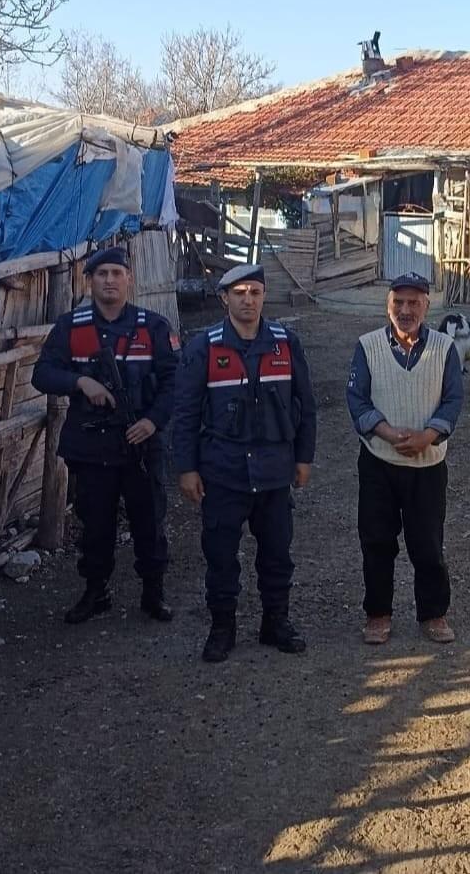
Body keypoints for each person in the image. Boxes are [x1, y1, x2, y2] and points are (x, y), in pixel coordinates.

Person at [171, 264, 316, 663]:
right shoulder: (205, 346)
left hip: (274, 472)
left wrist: (304, 458)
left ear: (264, 296)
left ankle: (276, 623)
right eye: (239, 293)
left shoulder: (286, 344)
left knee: (277, 554)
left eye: (254, 291)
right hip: (223, 472)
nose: (247, 299)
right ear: (224, 298)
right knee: (220, 555)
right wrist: (186, 468)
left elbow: (306, 405)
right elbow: (184, 412)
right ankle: (222, 628)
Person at [31, 246, 178, 625]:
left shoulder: (153, 326)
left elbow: (176, 382)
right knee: (95, 524)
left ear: (129, 279)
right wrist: (80, 381)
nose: (109, 280)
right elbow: (42, 374)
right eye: (102, 274)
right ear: (90, 280)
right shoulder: (71, 327)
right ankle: (95, 592)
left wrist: (153, 422)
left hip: (142, 442)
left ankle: (153, 593)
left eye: (116, 273)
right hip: (93, 445)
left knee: (150, 522)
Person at [345, 272, 464, 645]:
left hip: (427, 464)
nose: (406, 310)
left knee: (428, 543)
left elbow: (453, 400)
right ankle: (378, 614)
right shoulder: (367, 347)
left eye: (414, 303)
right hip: (379, 461)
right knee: (377, 541)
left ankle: (433, 614)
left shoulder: (444, 348)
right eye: (399, 302)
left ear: (427, 306)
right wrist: (387, 432)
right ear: (388, 305)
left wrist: (427, 436)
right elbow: (357, 400)